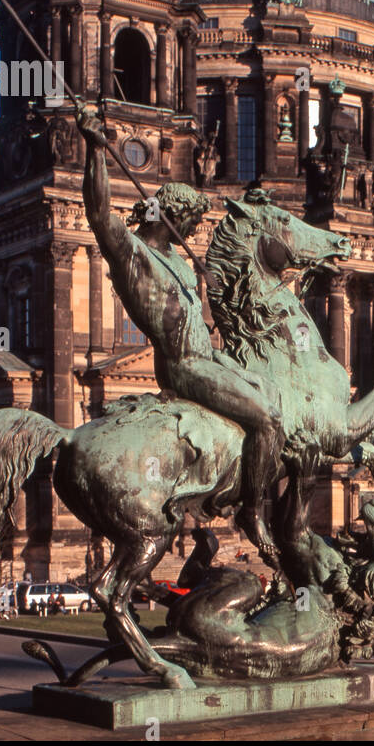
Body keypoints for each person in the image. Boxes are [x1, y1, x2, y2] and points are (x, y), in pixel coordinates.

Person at [76, 103, 285, 547]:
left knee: (276, 394)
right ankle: (252, 510)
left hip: (210, 357)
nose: (192, 232)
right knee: (268, 420)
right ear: (172, 214)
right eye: (190, 222)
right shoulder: (133, 254)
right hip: (186, 366)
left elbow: (205, 322)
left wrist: (208, 287)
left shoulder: (182, 264)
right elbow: (98, 214)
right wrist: (95, 149)